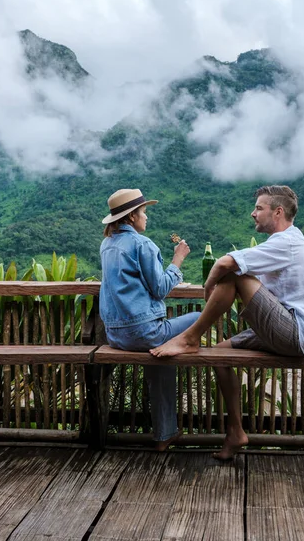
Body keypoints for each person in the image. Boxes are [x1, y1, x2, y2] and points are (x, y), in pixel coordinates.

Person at [150, 185, 304, 460]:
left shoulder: (286, 243)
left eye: (259, 208)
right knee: (220, 353)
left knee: (234, 273)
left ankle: (190, 338)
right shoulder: (286, 242)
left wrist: (208, 289)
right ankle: (235, 432)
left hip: (295, 333)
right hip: (290, 331)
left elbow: (223, 264)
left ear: (278, 212)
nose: (252, 213)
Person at [99, 188, 200, 451]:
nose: (147, 217)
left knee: (162, 358)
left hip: (116, 336)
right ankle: (166, 431)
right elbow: (160, 289)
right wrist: (177, 260)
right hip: (144, 333)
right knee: (200, 318)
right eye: (144, 212)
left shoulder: (107, 244)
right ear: (132, 217)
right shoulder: (142, 244)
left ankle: (164, 435)